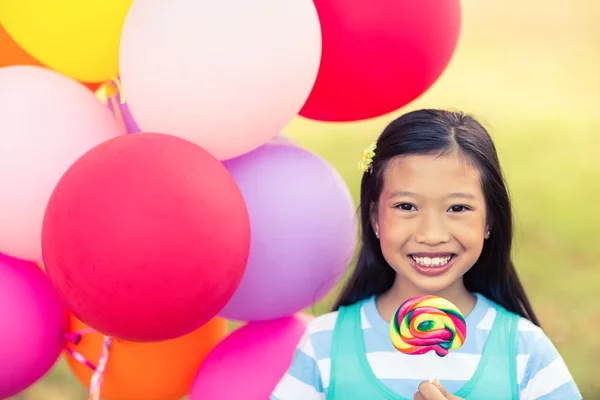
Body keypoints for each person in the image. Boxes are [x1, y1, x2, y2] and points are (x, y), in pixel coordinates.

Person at [270, 110, 581, 400]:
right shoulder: (327, 344)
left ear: (489, 221)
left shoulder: (523, 350)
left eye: (458, 208)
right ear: (376, 219)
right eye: (406, 206)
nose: (431, 235)